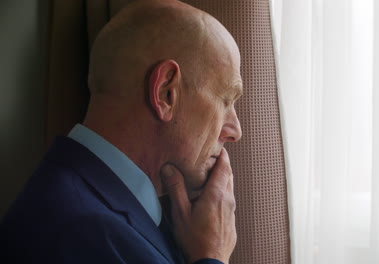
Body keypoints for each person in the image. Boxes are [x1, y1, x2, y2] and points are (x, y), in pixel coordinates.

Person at [0, 0, 243, 263]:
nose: (235, 131)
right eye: (226, 100)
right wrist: (212, 255)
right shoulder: (84, 234)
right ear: (166, 93)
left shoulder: (87, 209)